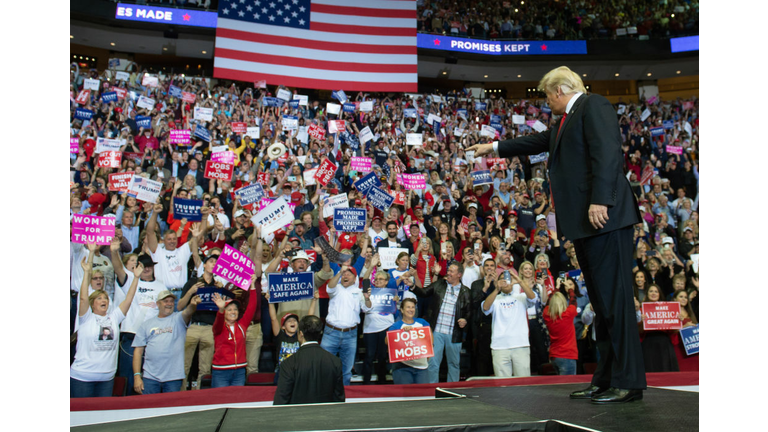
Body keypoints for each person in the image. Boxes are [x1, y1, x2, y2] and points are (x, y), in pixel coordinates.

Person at [467, 66, 646, 403]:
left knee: (616, 301)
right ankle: (606, 378)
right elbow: (537, 141)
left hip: (604, 217)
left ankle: (630, 382)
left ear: (561, 89)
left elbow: (608, 154)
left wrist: (600, 200)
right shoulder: (567, 120)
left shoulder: (593, 105)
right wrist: (493, 146)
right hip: (587, 223)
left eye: (548, 95)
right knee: (602, 302)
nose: (547, 102)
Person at [70, 247, 142, 398]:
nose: (104, 300)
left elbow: (128, 300)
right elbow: (83, 297)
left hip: (106, 379)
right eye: (99, 299)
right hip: (83, 377)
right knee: (82, 420)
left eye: (105, 298)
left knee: (102, 420)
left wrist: (136, 278)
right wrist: (87, 268)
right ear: (92, 304)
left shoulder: (114, 317)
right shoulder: (86, 317)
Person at [411, 261, 472, 383]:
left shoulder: (466, 292)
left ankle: (453, 391)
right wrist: (412, 286)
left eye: (451, 271)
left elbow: (469, 312)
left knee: (454, 364)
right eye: (448, 271)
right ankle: (431, 391)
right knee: (433, 363)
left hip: (454, 334)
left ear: (459, 275)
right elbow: (423, 293)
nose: (448, 273)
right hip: (436, 332)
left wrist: (465, 319)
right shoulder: (439, 284)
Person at [132, 290, 201, 395]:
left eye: (171, 301)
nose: (169, 304)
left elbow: (188, 312)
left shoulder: (178, 319)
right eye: (165, 301)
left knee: (172, 410)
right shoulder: (146, 324)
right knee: (149, 410)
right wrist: (137, 376)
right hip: (150, 377)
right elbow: (138, 352)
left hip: (173, 378)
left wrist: (192, 305)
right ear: (158, 304)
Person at [274, 316, 345, 405]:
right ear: (319, 333)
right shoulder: (335, 361)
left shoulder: (288, 363)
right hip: (327, 416)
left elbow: (281, 401)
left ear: (301, 334)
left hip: (297, 416)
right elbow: (339, 399)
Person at [482, 269, 536, 377]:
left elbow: (533, 298)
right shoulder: (495, 298)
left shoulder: (521, 297)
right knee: (502, 385)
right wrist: (497, 289)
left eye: (507, 279)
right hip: (499, 346)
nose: (505, 282)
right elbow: (485, 308)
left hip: (520, 345)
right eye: (501, 280)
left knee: (523, 383)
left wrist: (519, 281)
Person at [211, 274, 262, 388]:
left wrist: (252, 286)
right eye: (229, 309)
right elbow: (218, 321)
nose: (233, 312)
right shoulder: (219, 327)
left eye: (235, 309)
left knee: (237, 401)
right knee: (220, 401)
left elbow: (251, 307)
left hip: (239, 371)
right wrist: (220, 309)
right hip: (221, 371)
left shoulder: (242, 326)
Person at [321, 265, 368, 386]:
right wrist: (338, 273)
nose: (346, 275)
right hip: (331, 333)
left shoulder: (359, 292)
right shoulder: (336, 288)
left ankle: (344, 397)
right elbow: (329, 288)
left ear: (354, 278)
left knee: (346, 371)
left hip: (350, 334)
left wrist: (367, 298)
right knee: (324, 367)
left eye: (349, 274)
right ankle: (323, 395)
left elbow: (367, 308)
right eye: (344, 274)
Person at [387, 298, 431, 384]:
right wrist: (401, 332)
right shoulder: (396, 325)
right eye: (408, 307)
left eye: (413, 307)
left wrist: (414, 331)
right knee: (405, 395)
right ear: (402, 310)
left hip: (422, 367)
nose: (411, 309)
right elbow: (387, 341)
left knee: (423, 395)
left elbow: (430, 340)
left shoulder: (422, 323)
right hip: (403, 367)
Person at [639, 285, 679, 373]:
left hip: (664, 343)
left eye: (656, 291)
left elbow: (673, 331)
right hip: (648, 342)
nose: (653, 293)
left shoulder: (668, 309)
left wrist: (677, 321)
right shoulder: (641, 310)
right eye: (651, 291)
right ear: (647, 294)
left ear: (659, 294)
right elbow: (639, 332)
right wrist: (641, 321)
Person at [543, 284, 579, 375]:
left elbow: (548, 302)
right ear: (563, 302)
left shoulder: (547, 314)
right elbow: (573, 301)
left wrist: (557, 288)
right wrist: (570, 289)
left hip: (554, 356)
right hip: (567, 355)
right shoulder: (568, 314)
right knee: (568, 387)